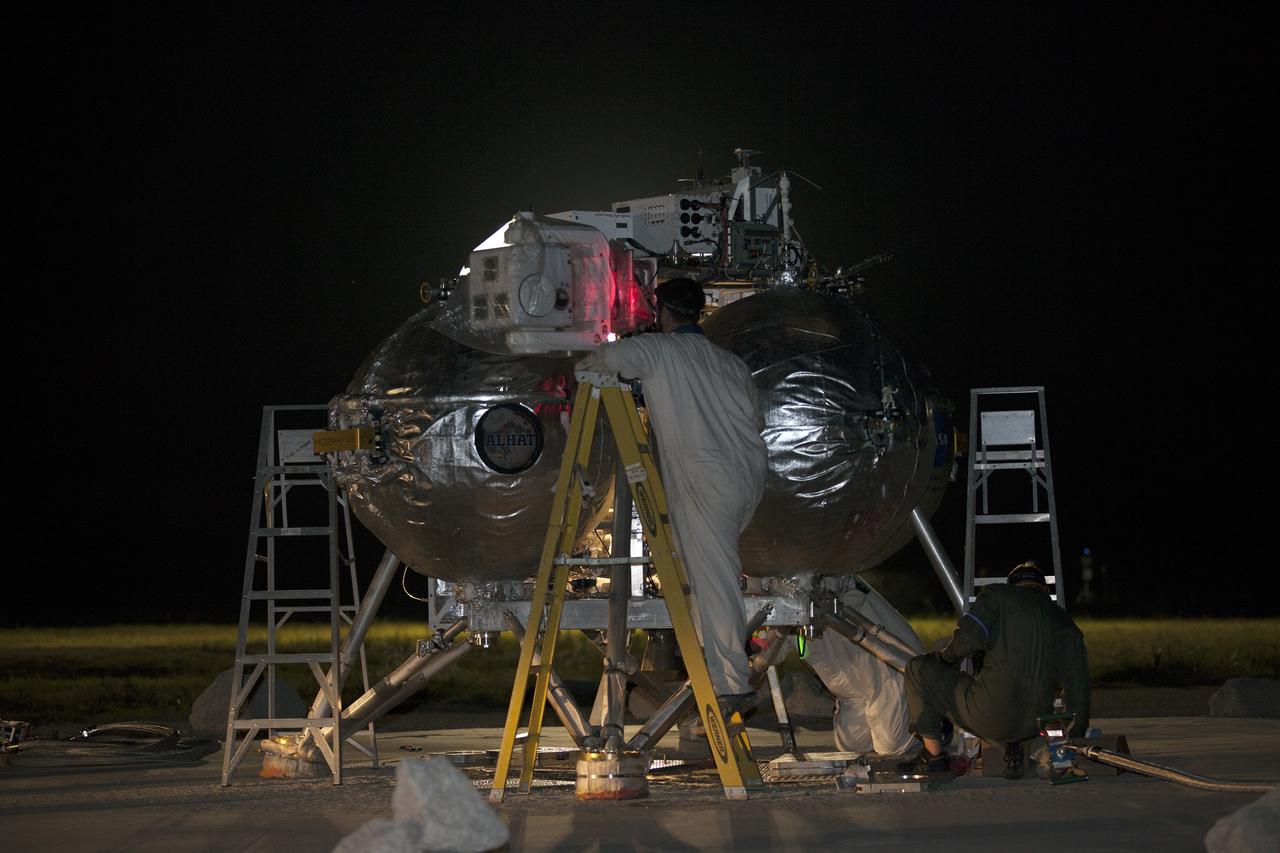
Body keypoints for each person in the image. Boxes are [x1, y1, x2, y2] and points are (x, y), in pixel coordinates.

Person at [577, 278, 767, 710]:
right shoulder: (729, 361)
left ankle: (732, 684)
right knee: (704, 575)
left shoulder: (659, 352)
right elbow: (753, 415)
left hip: (707, 480)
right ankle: (717, 668)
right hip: (748, 476)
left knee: (714, 580)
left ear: (661, 312)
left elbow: (599, 362)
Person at [899, 561, 1091, 776]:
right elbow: (1079, 691)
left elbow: (967, 640)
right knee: (1005, 712)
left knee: (918, 668)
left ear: (1013, 584)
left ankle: (933, 757)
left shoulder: (998, 595)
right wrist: (1075, 741)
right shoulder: (1065, 622)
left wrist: (944, 660)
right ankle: (1020, 747)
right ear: (1044, 590)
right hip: (1033, 724)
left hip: (990, 714)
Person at [803, 580, 924, 757]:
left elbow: (849, 593)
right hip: (851, 691)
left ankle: (930, 722)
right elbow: (775, 648)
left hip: (889, 675)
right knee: (850, 747)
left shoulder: (836, 580)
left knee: (890, 748)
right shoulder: (783, 603)